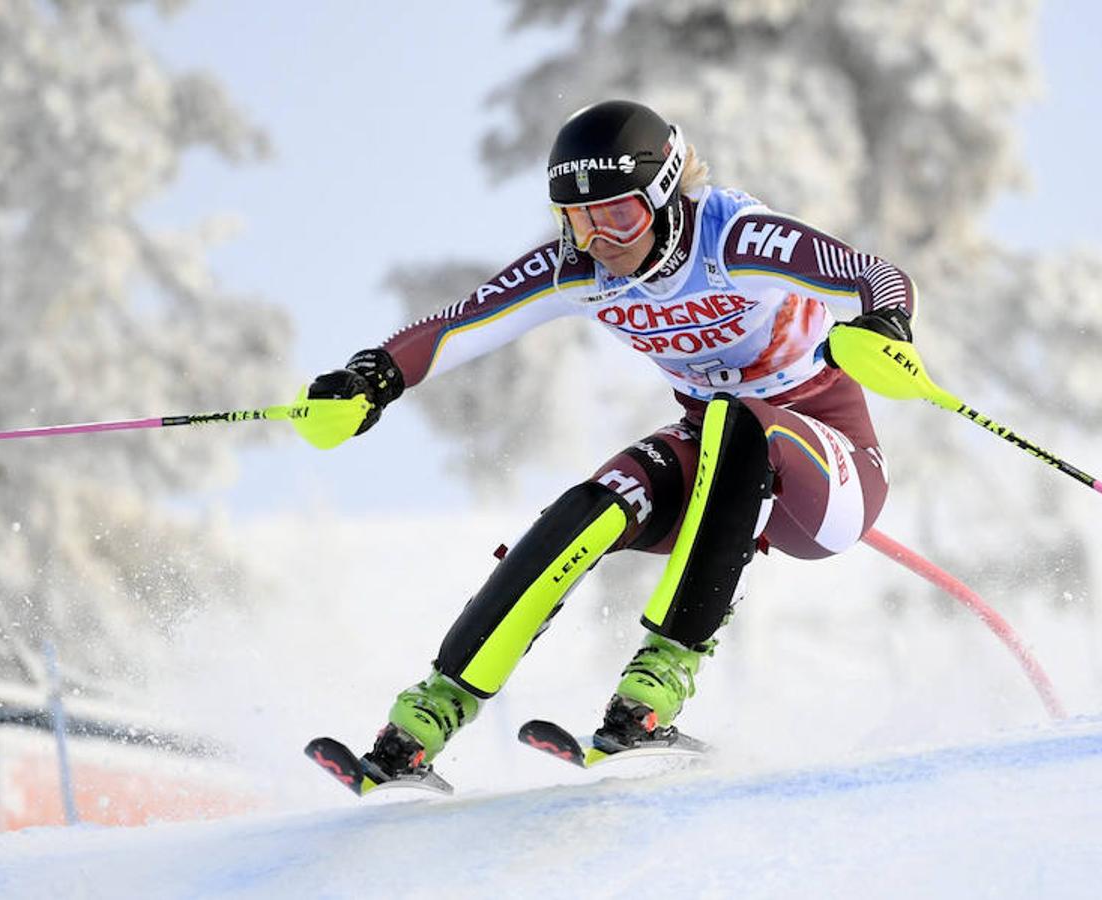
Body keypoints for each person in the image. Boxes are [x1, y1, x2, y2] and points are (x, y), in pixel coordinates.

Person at [307, 99, 917, 780]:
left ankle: (657, 688)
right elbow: (460, 324)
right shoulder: (580, 269)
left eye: (617, 215)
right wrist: (373, 377)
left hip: (829, 473)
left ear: (662, 196)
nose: (599, 240)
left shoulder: (731, 239)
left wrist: (884, 323)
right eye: (577, 219)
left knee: (737, 416)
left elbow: (875, 274)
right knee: (599, 501)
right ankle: (424, 723)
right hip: (715, 457)